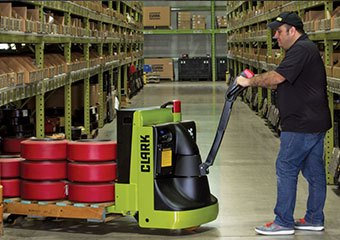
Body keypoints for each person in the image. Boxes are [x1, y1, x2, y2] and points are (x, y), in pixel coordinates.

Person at [236, 11, 332, 236]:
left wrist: (248, 82)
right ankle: (314, 218)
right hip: (314, 122)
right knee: (314, 171)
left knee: (286, 167)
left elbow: (277, 78)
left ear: (292, 31)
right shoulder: (302, 50)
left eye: (279, 32)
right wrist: (262, 82)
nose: (275, 37)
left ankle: (283, 221)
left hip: (300, 124)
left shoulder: (300, 49)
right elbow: (283, 81)